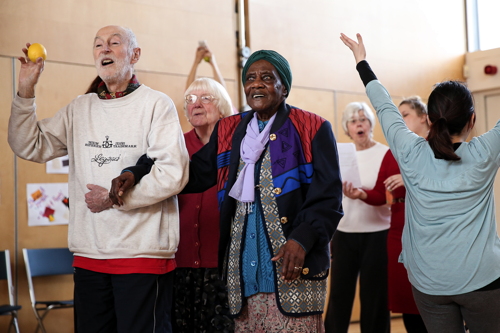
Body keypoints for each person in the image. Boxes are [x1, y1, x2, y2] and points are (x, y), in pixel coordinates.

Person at [110, 50, 344, 332]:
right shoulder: (231, 129)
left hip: (292, 266)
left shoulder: (312, 128)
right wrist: (135, 172)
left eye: (267, 78)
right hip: (241, 271)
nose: (256, 84)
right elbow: (187, 171)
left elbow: (328, 197)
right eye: (250, 78)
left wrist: (303, 239)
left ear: (284, 87)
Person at [8, 25, 189, 332]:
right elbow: (28, 144)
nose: (104, 49)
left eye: (114, 43)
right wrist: (26, 89)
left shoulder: (156, 105)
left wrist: (115, 198)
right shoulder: (80, 108)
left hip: (142, 255)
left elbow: (173, 173)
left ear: (135, 54)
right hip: (89, 255)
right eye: (98, 45)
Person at [341, 33, 500, 333]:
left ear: (430, 119)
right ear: (472, 119)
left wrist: (362, 61)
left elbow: (383, 105)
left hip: (429, 284)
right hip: (483, 280)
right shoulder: (484, 153)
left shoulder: (410, 152)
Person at [343, 97, 430, 333]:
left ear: (424, 117)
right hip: (398, 227)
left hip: (428, 227)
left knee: (433, 302)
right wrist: (360, 194)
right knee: (407, 302)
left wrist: (409, 179)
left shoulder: (436, 147)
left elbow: (442, 179)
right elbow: (382, 194)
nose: (398, 120)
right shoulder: (395, 152)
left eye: (404, 115)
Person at [172, 78, 234, 332]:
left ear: (222, 109)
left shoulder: (235, 146)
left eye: (205, 98)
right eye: (190, 100)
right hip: (179, 262)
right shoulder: (175, 145)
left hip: (223, 265)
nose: (195, 104)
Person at [324, 102, 391, 333]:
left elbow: (386, 194)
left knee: (375, 297)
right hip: (344, 232)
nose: (359, 124)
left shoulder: (384, 152)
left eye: (363, 119)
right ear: (347, 128)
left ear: (371, 124)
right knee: (339, 296)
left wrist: (360, 193)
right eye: (353, 121)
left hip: (378, 233)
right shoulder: (339, 154)